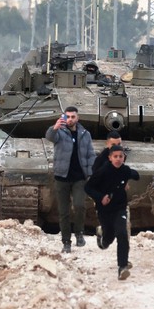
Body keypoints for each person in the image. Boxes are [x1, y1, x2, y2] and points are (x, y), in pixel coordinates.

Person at [45, 106, 96, 253]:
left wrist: (91, 173)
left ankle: (79, 233)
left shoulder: (85, 134)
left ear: (77, 118)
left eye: (73, 116)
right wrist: (54, 127)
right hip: (62, 177)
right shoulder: (59, 132)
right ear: (64, 117)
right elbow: (49, 137)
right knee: (64, 211)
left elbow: (90, 155)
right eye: (68, 116)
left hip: (79, 177)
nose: (70, 119)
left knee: (79, 206)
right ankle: (66, 241)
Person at [85, 145, 140, 280]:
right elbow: (88, 187)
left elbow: (136, 175)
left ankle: (122, 267)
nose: (118, 159)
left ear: (124, 158)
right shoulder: (103, 171)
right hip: (104, 209)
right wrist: (100, 197)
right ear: (110, 158)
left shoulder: (125, 170)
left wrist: (128, 177)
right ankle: (102, 238)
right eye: (115, 157)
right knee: (109, 238)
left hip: (120, 207)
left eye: (120, 157)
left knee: (122, 233)